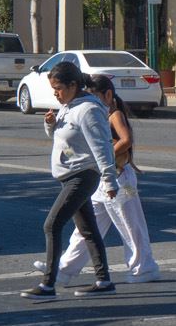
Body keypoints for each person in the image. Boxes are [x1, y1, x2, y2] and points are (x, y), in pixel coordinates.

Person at [48, 74, 160, 283]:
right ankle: (65, 268)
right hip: (102, 179)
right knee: (86, 228)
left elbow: (126, 140)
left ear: (108, 95)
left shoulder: (113, 114)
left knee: (130, 224)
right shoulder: (95, 114)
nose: (90, 100)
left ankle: (144, 267)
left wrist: (105, 157)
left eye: (94, 96)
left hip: (120, 178)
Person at [22, 62, 118, 300]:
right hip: (70, 176)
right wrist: (50, 125)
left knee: (51, 225)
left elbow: (103, 147)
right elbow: (62, 139)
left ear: (74, 85)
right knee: (88, 229)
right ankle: (104, 280)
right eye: (53, 88)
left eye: (58, 88)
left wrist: (109, 181)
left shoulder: (89, 110)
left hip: (83, 175)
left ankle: (47, 285)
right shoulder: (68, 106)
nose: (55, 93)